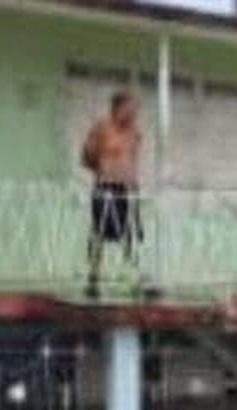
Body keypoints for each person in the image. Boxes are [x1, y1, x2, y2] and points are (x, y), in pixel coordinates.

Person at [81, 91, 144, 300]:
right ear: (117, 108)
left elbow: (133, 161)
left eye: (135, 109)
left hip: (125, 188)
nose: (134, 113)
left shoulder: (135, 133)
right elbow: (86, 156)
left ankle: (134, 277)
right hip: (105, 186)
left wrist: (134, 185)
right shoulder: (101, 127)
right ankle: (93, 278)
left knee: (128, 233)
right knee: (99, 232)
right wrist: (104, 169)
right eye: (130, 108)